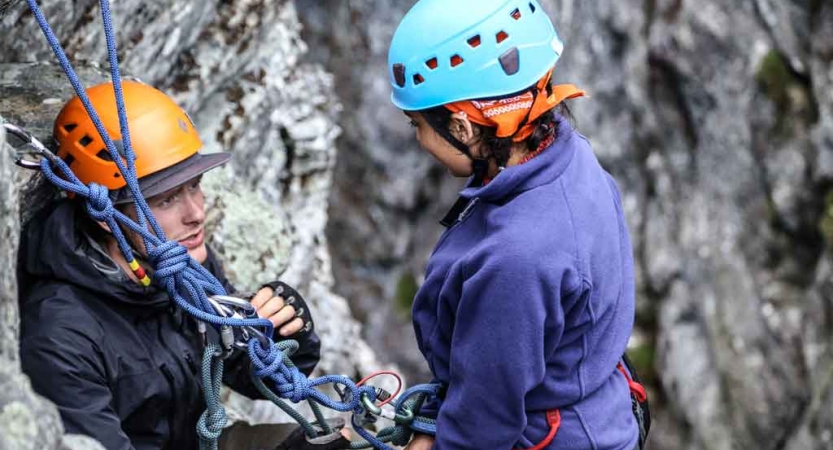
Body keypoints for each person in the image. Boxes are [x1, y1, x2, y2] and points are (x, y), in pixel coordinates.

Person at [16, 81, 336, 450]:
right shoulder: (61, 337)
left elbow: (252, 376)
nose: (196, 213)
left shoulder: (177, 266)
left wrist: (284, 332)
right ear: (106, 216)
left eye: (195, 186)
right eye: (167, 200)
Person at [387, 0, 641, 449]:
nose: (420, 140)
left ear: (463, 128)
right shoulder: (569, 154)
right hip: (598, 412)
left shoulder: (516, 260)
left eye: (417, 125)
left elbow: (484, 424)